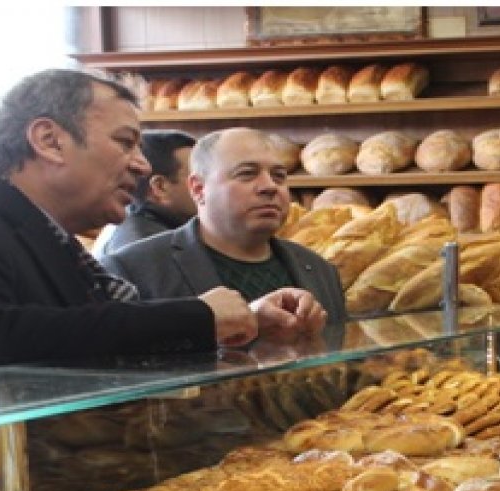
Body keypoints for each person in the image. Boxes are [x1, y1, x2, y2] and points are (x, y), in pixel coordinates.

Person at [0, 69, 306, 376]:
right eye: (125, 142)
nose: (142, 163)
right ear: (48, 141)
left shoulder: (56, 242)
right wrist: (197, 316)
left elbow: (95, 340)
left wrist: (250, 322)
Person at [101, 127, 346, 338]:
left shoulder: (320, 270)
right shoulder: (133, 270)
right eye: (247, 174)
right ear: (198, 189)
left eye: (279, 176)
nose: (270, 186)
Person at [93, 129, 198, 258]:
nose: (208, 186)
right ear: (160, 187)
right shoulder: (146, 250)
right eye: (199, 177)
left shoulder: (130, 221)